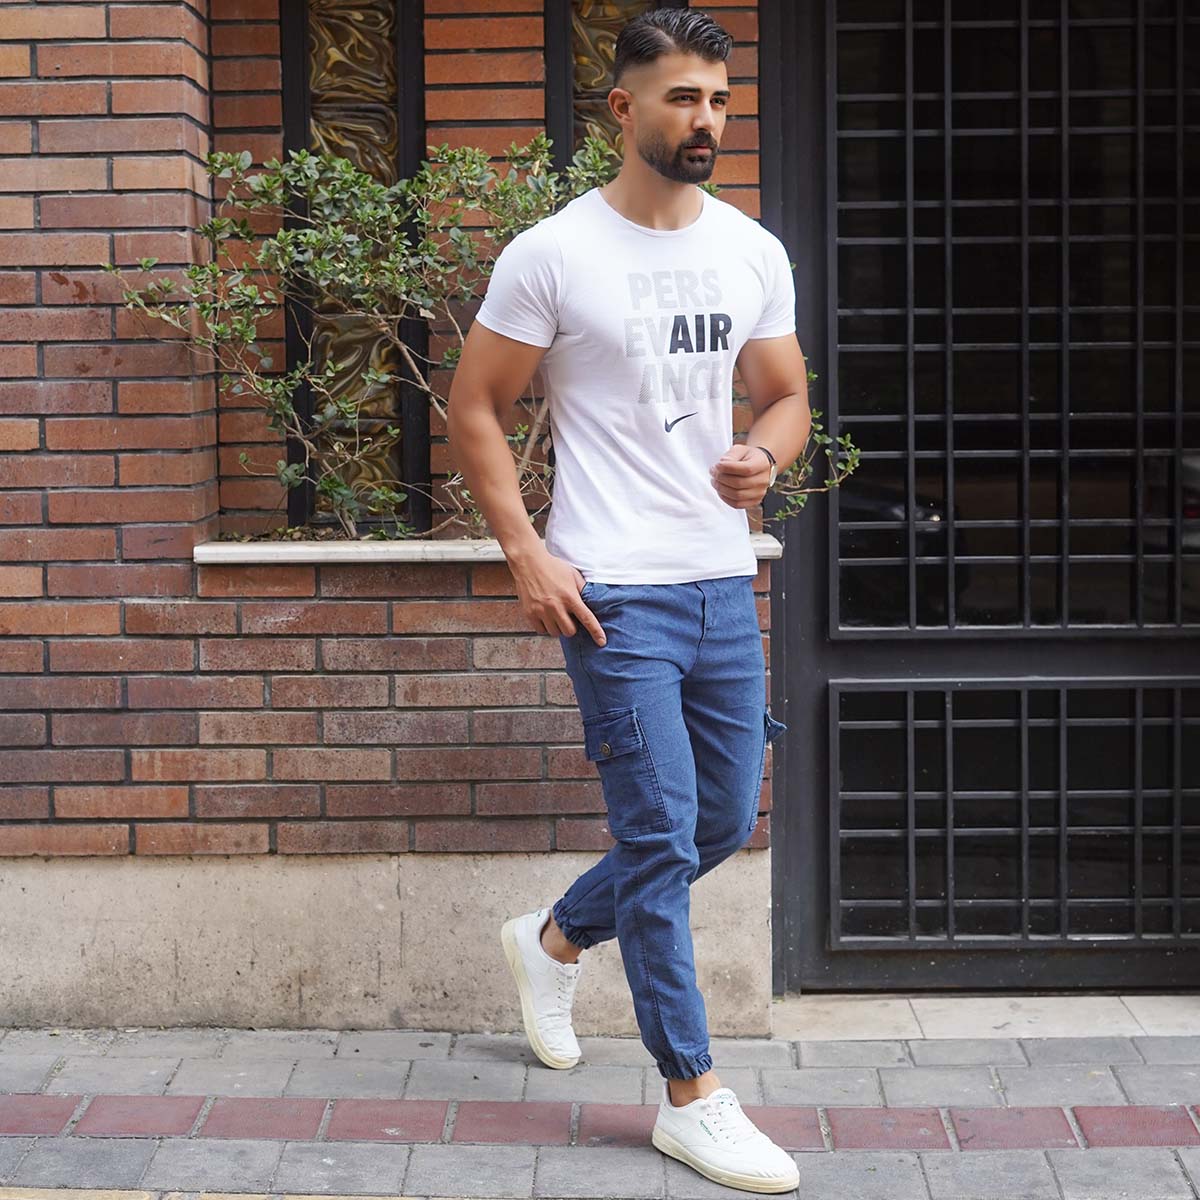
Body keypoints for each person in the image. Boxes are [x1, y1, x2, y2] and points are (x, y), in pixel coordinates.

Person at [447, 8, 809, 1194]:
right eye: (681, 97)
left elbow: (787, 395)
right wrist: (525, 552)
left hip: (721, 581)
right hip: (612, 591)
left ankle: (553, 940)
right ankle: (692, 1096)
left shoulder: (751, 251)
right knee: (659, 839)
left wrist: (764, 455)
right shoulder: (554, 253)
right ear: (623, 107)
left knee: (718, 825)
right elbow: (476, 404)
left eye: (718, 99)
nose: (705, 120)